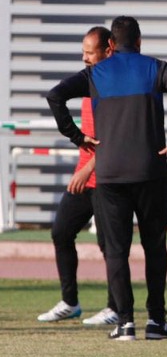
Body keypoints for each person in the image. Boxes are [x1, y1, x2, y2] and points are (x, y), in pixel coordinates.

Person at [46, 15, 167, 341]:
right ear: (139, 41)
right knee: (155, 247)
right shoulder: (155, 68)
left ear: (111, 45)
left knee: (116, 250)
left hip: (110, 175)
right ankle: (156, 321)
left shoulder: (95, 74)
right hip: (150, 172)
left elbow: (55, 96)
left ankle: (125, 322)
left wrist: (77, 137)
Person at [37, 26, 117, 326]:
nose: (84, 58)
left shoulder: (116, 86)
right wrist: (76, 138)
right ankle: (70, 302)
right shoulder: (88, 80)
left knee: (110, 246)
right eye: (82, 52)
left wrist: (88, 167)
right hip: (84, 177)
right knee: (61, 232)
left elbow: (117, 137)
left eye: (89, 52)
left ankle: (115, 307)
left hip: (106, 177)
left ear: (108, 50)